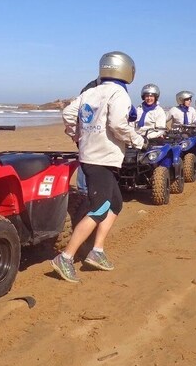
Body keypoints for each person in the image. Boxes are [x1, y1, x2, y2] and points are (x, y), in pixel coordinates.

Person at [55, 51, 145, 283]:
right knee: (100, 208)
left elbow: (68, 112)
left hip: (91, 156)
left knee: (115, 203)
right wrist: (137, 139)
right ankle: (65, 257)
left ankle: (97, 251)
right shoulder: (119, 93)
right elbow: (117, 124)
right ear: (125, 70)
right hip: (102, 159)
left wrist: (76, 135)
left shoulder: (90, 91)